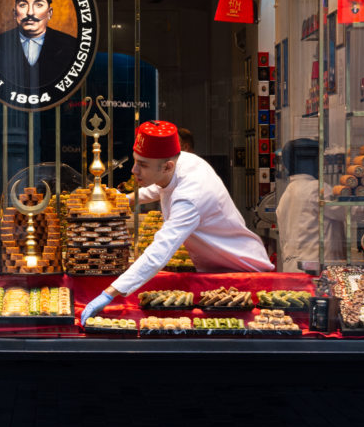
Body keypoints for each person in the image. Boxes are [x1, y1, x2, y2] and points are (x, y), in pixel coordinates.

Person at [80, 120, 274, 324]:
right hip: (214, 270)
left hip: (243, 273)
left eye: (143, 165)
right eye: (136, 161)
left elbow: (160, 250)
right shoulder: (182, 163)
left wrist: (109, 293)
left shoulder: (191, 195)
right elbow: (162, 186)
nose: (134, 171)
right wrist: (125, 199)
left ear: (168, 165)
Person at [0, 0, 78, 90]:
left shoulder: (70, 45)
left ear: (49, 13)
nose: (30, 12)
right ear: (14, 13)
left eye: (38, 4)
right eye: (23, 5)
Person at [276, 138, 345, 272]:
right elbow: (350, 211)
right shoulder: (317, 189)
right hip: (315, 271)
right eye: (320, 159)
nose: (323, 164)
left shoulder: (288, 193)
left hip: (292, 269)